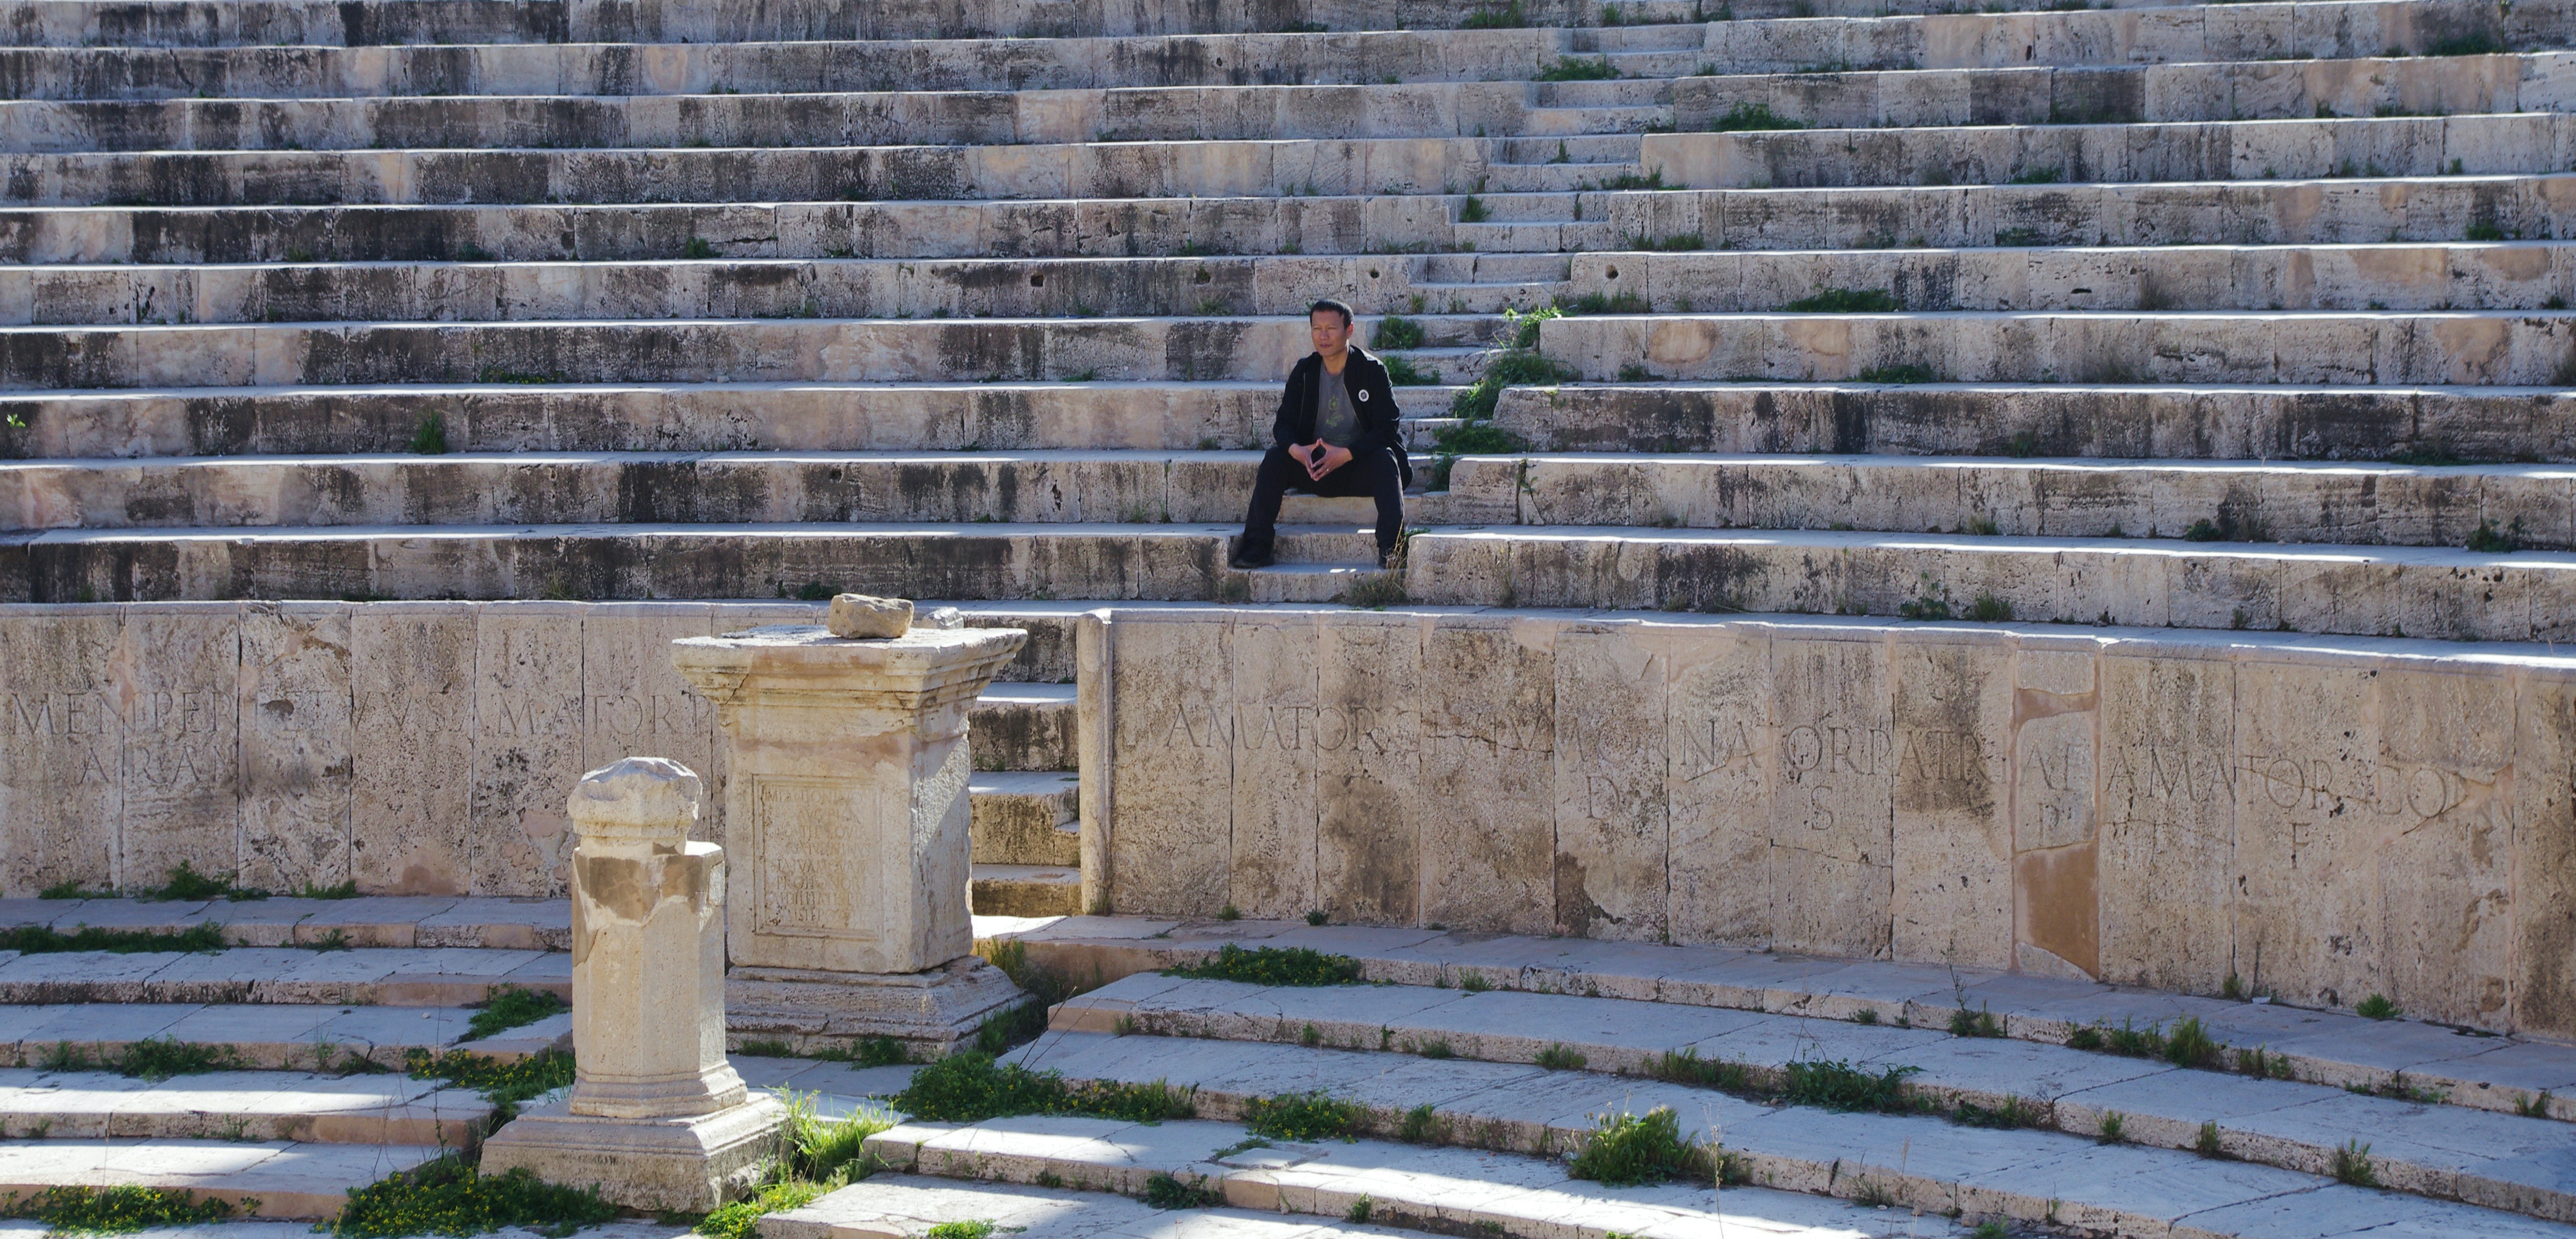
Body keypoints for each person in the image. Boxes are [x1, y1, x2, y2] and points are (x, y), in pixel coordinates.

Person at [1230, 299, 1412, 570]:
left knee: (1386, 459)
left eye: (1331, 329)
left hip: (1357, 466)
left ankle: (1392, 548)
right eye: (1317, 329)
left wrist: (1348, 454)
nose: (1323, 336)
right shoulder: (1304, 372)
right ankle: (1258, 545)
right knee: (1274, 459)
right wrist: (1297, 451)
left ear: (1349, 330)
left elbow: (1387, 427)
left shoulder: (1372, 371)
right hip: (1315, 467)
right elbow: (1283, 425)